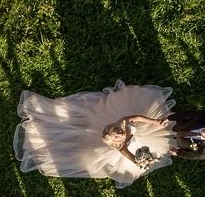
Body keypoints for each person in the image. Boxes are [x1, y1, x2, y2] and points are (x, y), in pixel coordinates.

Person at [13, 80, 175, 189]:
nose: (120, 133)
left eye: (117, 131)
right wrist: (143, 162)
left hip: (144, 130)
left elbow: (138, 117)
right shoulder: (121, 148)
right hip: (141, 145)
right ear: (116, 142)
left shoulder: (123, 122)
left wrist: (155, 122)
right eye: (117, 135)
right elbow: (132, 159)